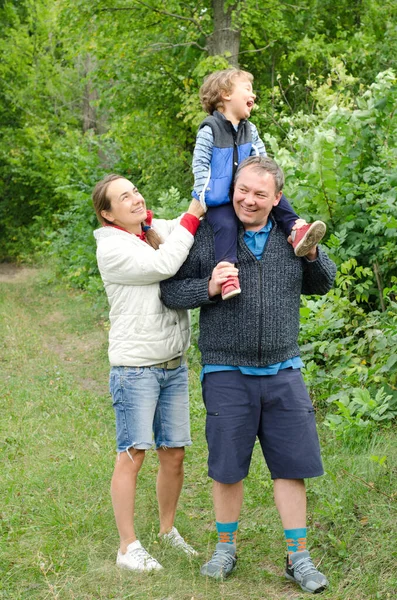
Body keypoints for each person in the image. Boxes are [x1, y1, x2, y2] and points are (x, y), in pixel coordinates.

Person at [160, 156, 336, 593]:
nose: (249, 200)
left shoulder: (291, 236)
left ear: (277, 198)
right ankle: (225, 548)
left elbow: (325, 280)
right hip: (226, 370)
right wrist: (209, 289)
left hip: (284, 369)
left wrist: (311, 254)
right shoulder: (211, 236)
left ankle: (299, 557)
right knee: (227, 467)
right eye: (243, 190)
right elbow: (171, 290)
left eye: (260, 194)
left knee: (291, 468)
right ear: (232, 188)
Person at [92, 174, 204, 572]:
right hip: (136, 368)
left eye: (136, 191)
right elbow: (165, 262)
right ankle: (127, 547)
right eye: (124, 197)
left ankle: (166, 531)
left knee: (173, 454)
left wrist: (204, 197)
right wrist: (192, 216)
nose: (135, 198)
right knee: (133, 454)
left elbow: (184, 225)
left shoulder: (151, 230)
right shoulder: (114, 249)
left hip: (172, 364)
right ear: (108, 214)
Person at [192, 68, 326, 300]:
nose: (253, 95)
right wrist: (205, 196)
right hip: (219, 197)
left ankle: (297, 230)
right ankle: (227, 275)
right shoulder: (209, 129)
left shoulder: (249, 130)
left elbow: (263, 161)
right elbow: (200, 164)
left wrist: (269, 183)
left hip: (245, 191)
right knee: (226, 224)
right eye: (247, 89)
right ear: (225, 94)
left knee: (276, 199)